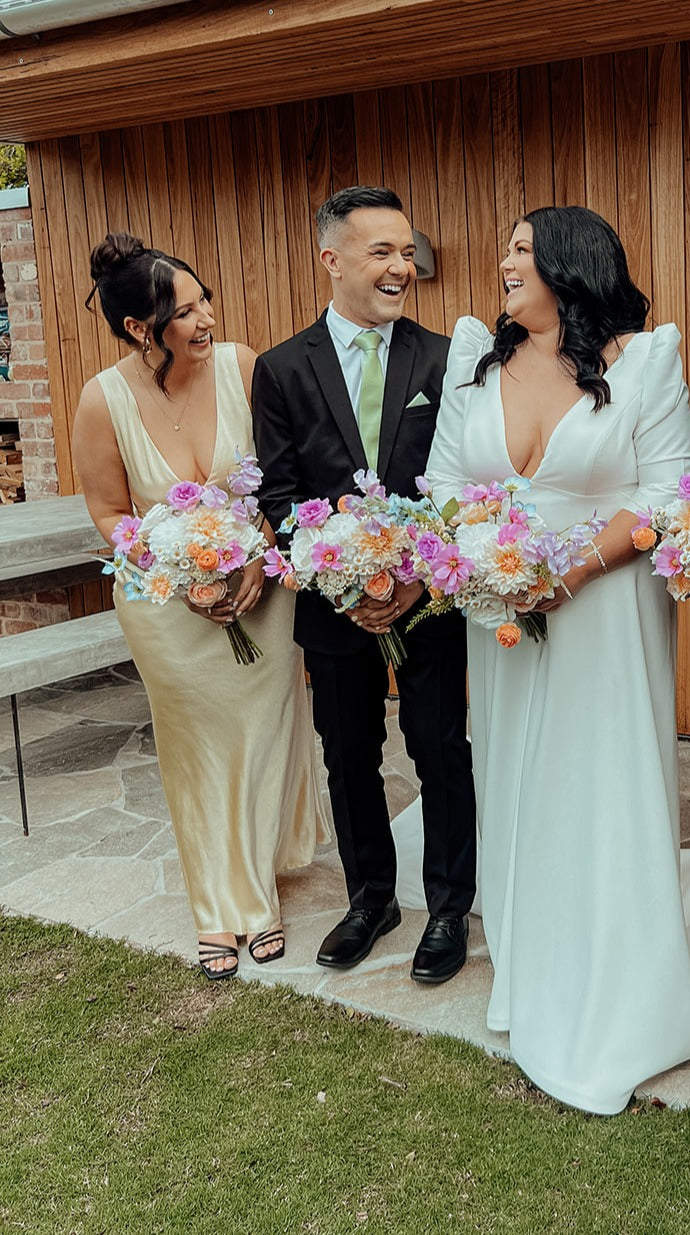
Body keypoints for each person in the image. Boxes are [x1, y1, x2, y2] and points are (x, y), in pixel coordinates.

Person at [421, 205, 690, 1113]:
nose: (503, 259)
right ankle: (531, 963)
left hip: (605, 608)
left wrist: (569, 570)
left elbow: (666, 490)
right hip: (507, 617)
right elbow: (445, 483)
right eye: (506, 245)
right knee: (520, 774)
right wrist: (490, 557)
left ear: (572, 264)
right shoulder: (476, 360)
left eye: (522, 248)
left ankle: (616, 984)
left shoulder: (643, 362)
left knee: (598, 779)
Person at [73, 233, 327, 980]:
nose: (206, 317)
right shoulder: (102, 398)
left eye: (203, 299)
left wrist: (257, 553)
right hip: (166, 606)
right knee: (197, 751)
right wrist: (177, 571)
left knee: (263, 733)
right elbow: (111, 512)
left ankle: (254, 873)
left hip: (259, 589)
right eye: (184, 312)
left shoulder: (243, 367)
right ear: (138, 329)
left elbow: (279, 476)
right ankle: (226, 908)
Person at [253, 187, 477, 981]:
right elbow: (277, 496)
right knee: (348, 753)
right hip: (332, 606)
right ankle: (370, 897)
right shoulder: (280, 369)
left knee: (440, 745)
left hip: (427, 602)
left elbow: (461, 485)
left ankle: (449, 906)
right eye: (381, 251)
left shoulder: (447, 359)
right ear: (332, 259)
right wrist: (340, 577)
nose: (401, 267)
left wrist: (416, 575)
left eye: (407, 252)